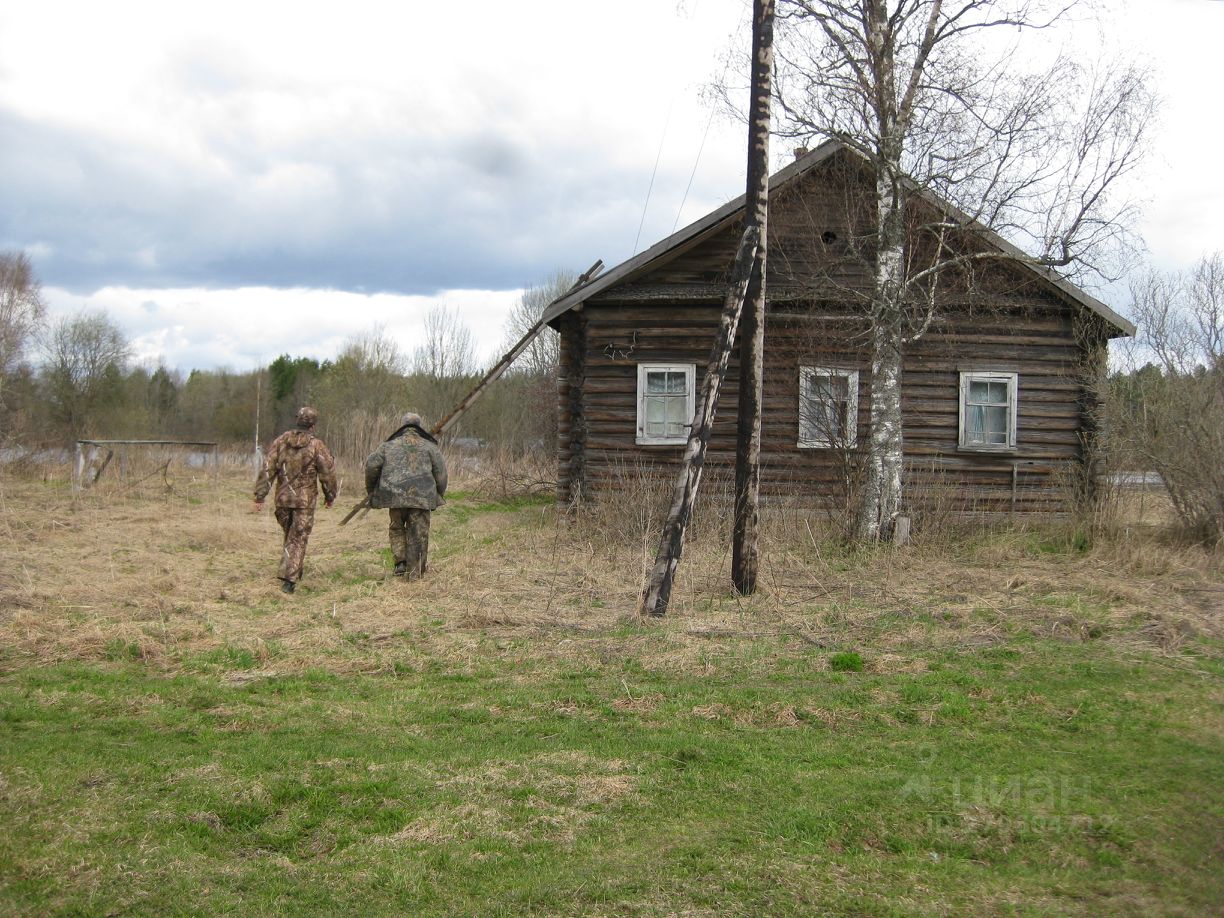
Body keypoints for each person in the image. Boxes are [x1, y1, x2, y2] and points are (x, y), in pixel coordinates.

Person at [254, 405, 338, 594]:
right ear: (313, 426)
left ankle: (293, 569)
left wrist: (260, 495)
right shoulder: (317, 446)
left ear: (297, 420)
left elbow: (268, 469)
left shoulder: (280, 441)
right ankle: (289, 581)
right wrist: (330, 495)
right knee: (298, 538)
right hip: (304, 503)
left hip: (282, 500)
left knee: (290, 537)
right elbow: (328, 472)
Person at [364, 411, 447, 579]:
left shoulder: (388, 446)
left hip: (394, 496)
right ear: (419, 426)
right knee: (418, 534)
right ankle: (415, 574)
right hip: (422, 498)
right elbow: (441, 474)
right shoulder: (430, 447)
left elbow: (371, 466)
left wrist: (372, 490)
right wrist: (438, 495)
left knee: (396, 528)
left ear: (402, 426)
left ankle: (400, 562)